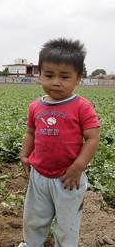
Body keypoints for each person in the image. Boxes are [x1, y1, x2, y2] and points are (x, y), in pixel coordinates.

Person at [18, 38, 100, 247]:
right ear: (40, 75)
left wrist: (78, 167)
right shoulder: (36, 106)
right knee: (34, 219)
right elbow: (31, 132)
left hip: (68, 178)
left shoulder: (82, 106)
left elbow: (92, 138)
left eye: (64, 76)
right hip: (39, 176)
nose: (56, 82)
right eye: (49, 75)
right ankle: (31, 244)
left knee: (67, 224)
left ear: (78, 78)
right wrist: (24, 155)